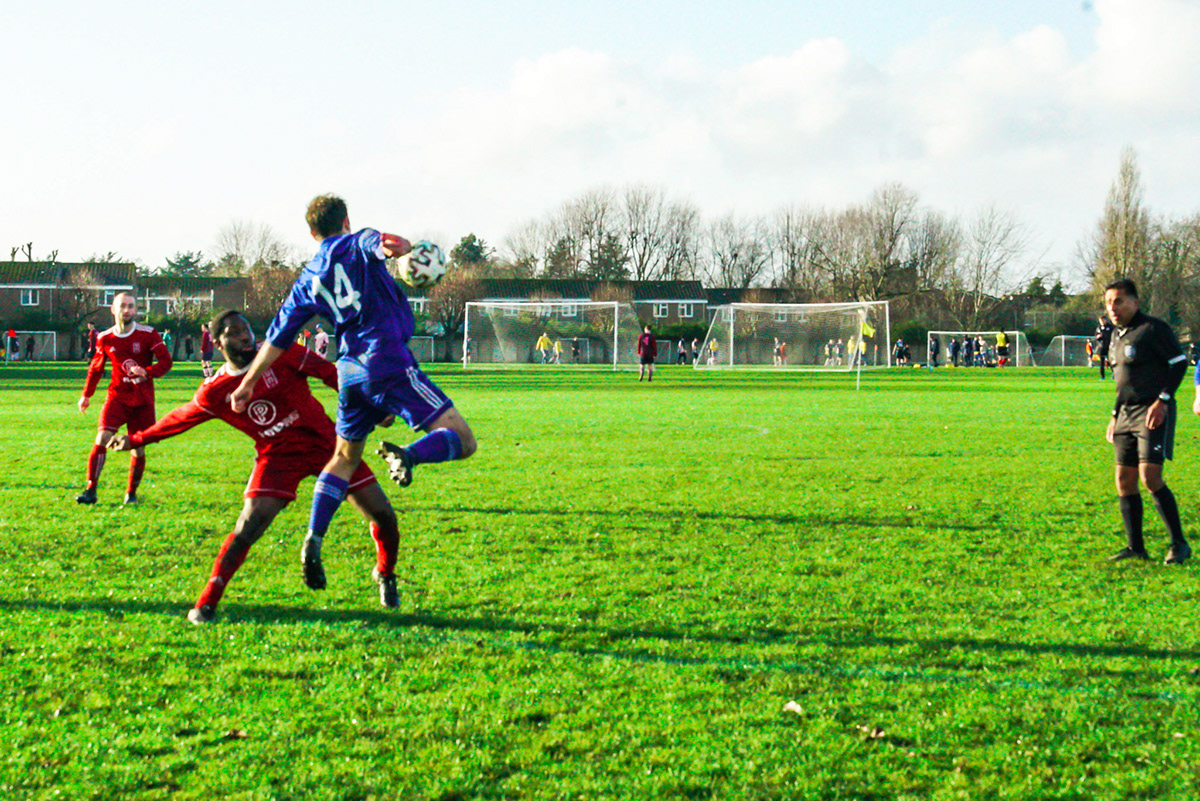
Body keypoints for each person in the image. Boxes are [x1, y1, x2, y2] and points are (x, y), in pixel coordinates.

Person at [228, 193, 476, 591]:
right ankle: (408, 455)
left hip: (349, 371)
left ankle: (314, 537)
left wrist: (247, 382)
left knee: (343, 458)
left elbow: (277, 337)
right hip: (387, 358)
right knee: (463, 440)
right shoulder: (358, 240)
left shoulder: (307, 279)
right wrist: (408, 253)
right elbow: (391, 243)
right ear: (346, 220)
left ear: (312, 234)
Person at [108, 310, 402, 623]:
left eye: (246, 329)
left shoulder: (282, 351)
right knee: (248, 526)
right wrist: (136, 439)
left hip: (328, 446)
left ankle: (385, 573)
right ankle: (206, 603)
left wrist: (372, 408)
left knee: (383, 515)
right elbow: (181, 418)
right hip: (277, 457)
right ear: (218, 343)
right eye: (234, 333)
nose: (244, 336)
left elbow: (332, 375)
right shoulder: (216, 390)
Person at [1104, 278, 1190, 564]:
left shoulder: (1153, 329)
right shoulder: (1116, 335)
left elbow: (1178, 363)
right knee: (1123, 480)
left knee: (1150, 476)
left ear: (1134, 302)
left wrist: (1162, 400)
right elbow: (1122, 382)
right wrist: (1114, 415)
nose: (1113, 308)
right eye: (1109, 303)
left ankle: (1179, 544)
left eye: (1118, 301)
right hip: (1125, 414)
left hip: (1152, 411)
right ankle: (1136, 548)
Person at [76, 292, 173, 505]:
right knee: (102, 438)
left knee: (138, 448)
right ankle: (91, 490)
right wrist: (86, 395)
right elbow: (96, 368)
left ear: (135, 310)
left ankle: (131, 494)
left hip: (143, 400)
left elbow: (166, 362)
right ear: (113, 309)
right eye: (122, 306)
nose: (127, 310)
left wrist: (147, 371)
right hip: (117, 397)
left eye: (131, 306)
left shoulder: (148, 334)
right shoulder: (105, 338)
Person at [1095, 314, 1114, 380]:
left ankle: (1114, 374)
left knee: (1111, 361)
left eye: (1103, 320)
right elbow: (1096, 336)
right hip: (1101, 347)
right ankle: (1102, 376)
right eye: (1100, 321)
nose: (1102, 322)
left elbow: (1113, 335)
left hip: (1109, 347)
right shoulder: (1099, 328)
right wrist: (1098, 337)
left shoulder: (1110, 327)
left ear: (1105, 320)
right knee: (1101, 363)